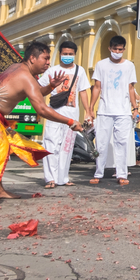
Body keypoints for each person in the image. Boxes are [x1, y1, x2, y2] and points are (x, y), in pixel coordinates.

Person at [0, 41, 79, 209]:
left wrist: (50, 86)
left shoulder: (18, 68)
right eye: (46, 58)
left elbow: (34, 92)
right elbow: (42, 109)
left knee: (5, 148)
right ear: (33, 58)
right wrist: (70, 122)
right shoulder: (25, 77)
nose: (48, 62)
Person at [89, 36, 139, 185]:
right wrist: (91, 108)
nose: (117, 51)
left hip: (123, 111)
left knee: (122, 143)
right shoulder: (101, 65)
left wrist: (135, 108)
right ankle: (98, 173)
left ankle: (122, 174)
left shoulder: (129, 66)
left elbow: (131, 88)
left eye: (120, 49)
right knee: (101, 143)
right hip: (105, 110)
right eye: (115, 49)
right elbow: (97, 87)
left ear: (124, 49)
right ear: (110, 48)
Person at [40, 41, 90, 189]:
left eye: (70, 54)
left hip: (72, 113)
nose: (67, 56)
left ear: (75, 54)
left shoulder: (80, 71)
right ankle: (50, 178)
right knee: (51, 143)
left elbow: (83, 92)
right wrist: (40, 107)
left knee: (67, 147)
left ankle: (62, 178)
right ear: (60, 54)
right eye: (64, 54)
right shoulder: (51, 71)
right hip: (54, 112)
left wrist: (88, 111)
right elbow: (39, 89)